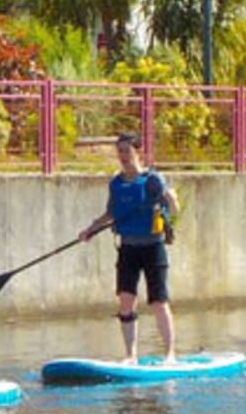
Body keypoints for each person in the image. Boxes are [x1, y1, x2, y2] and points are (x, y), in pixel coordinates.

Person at [78, 133, 182, 363]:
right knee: (126, 300)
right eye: (120, 151)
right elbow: (111, 213)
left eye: (127, 150)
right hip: (128, 249)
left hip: (153, 248)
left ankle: (170, 354)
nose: (123, 156)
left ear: (139, 152)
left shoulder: (153, 180)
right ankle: (130, 355)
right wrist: (91, 229)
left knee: (158, 301)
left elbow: (173, 211)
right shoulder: (116, 183)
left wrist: (171, 199)